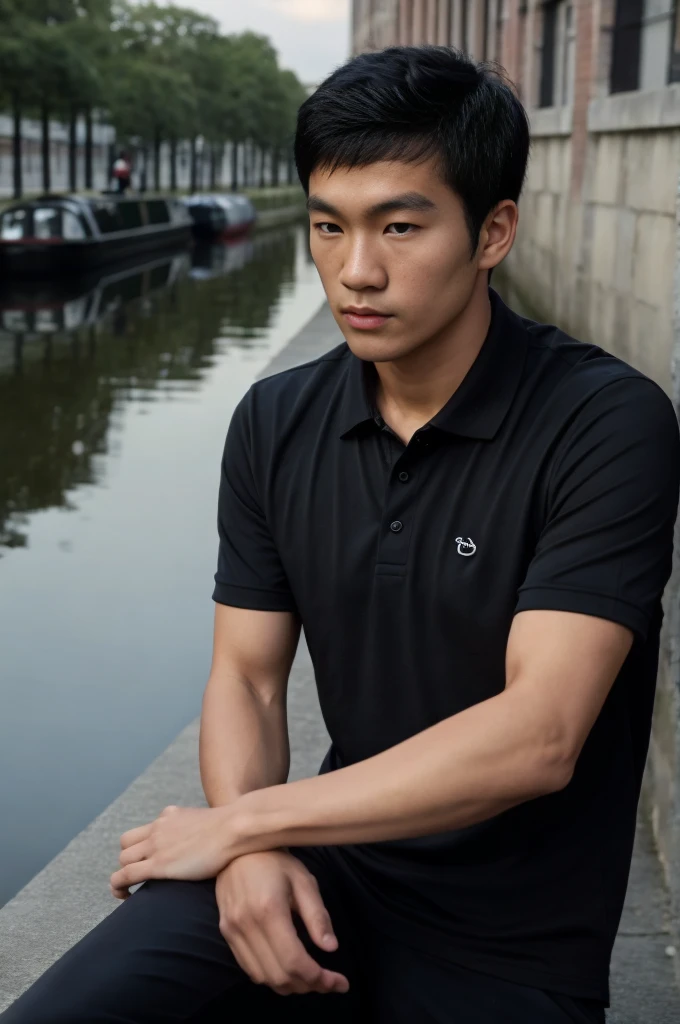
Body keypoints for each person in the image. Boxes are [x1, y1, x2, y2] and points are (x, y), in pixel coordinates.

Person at [2, 46, 679, 1024]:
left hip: (509, 949)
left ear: (492, 232)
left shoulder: (603, 421)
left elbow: (538, 735)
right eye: (328, 225)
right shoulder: (275, 421)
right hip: (327, 870)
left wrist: (237, 823)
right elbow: (247, 676)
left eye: (399, 226)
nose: (354, 270)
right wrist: (252, 855)